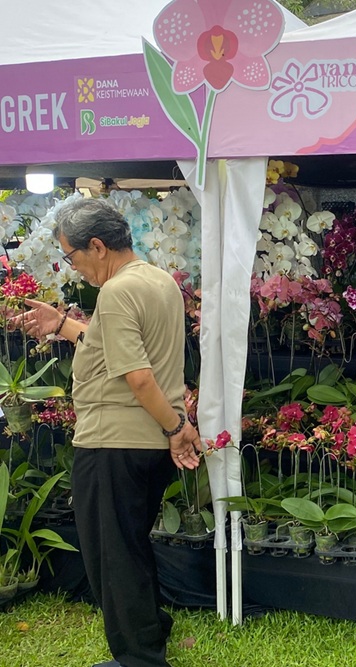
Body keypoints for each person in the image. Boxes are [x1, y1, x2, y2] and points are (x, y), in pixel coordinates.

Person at [18, 198, 202, 667]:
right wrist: (62, 325)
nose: (73, 267)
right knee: (130, 546)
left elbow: (137, 376)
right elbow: (111, 346)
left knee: (112, 557)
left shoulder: (117, 292)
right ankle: (150, 633)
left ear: (97, 246)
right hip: (143, 445)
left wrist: (177, 427)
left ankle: (139, 659)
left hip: (112, 443)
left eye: (72, 256)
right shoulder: (157, 280)